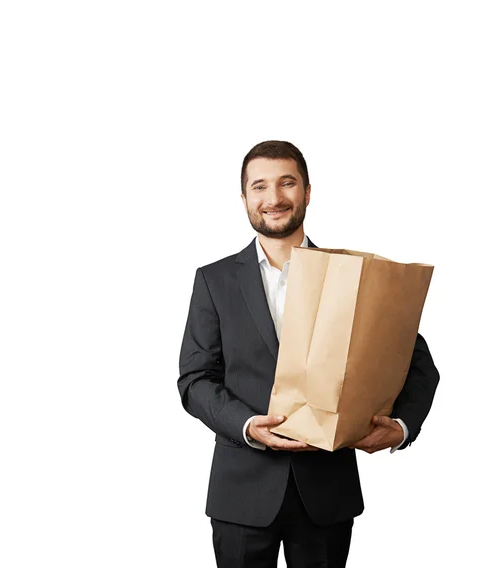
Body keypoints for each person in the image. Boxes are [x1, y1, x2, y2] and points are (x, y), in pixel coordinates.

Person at [177, 140, 440, 567]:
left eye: (287, 183)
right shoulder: (214, 280)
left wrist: (404, 427)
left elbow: (415, 362)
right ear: (244, 198)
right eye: (259, 186)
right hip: (240, 493)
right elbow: (194, 379)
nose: (274, 198)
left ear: (308, 192)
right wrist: (246, 425)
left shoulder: (351, 275)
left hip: (326, 492)